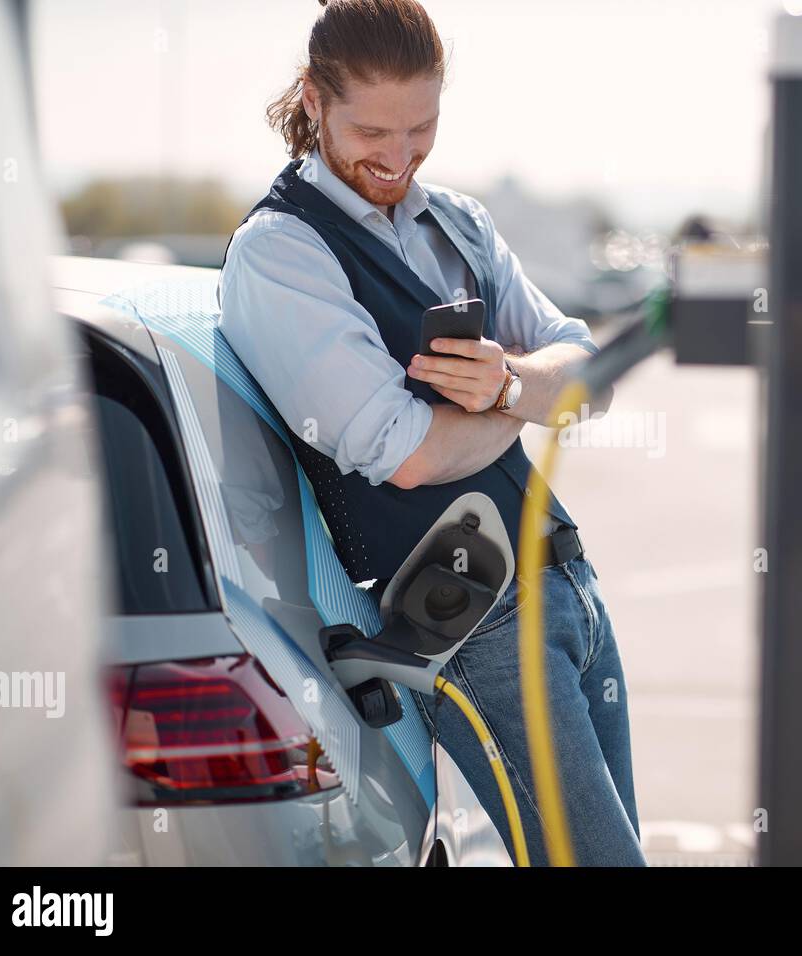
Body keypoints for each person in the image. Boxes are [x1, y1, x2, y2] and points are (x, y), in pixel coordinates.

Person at [217, 0, 643, 866]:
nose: (399, 158)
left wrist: (514, 381)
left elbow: (588, 375)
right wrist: (519, 399)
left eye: (422, 128)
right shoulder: (280, 252)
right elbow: (407, 454)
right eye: (373, 131)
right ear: (313, 98)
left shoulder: (457, 219)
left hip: (570, 589)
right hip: (476, 626)